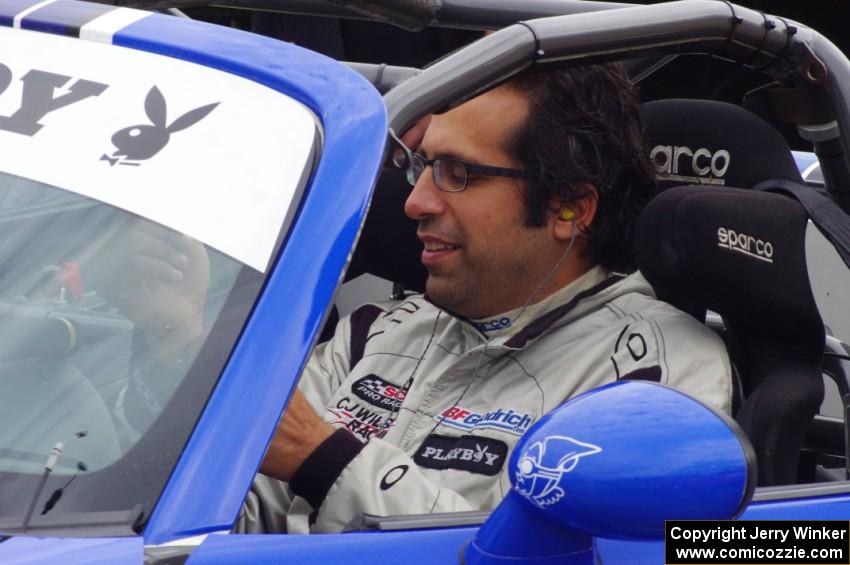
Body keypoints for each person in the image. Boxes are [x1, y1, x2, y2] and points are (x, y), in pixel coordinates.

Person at [236, 62, 732, 534]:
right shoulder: (372, 334)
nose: (415, 202)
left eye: (458, 173)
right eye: (424, 166)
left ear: (568, 209)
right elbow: (234, 520)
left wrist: (320, 457)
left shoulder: (652, 377)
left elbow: (535, 552)